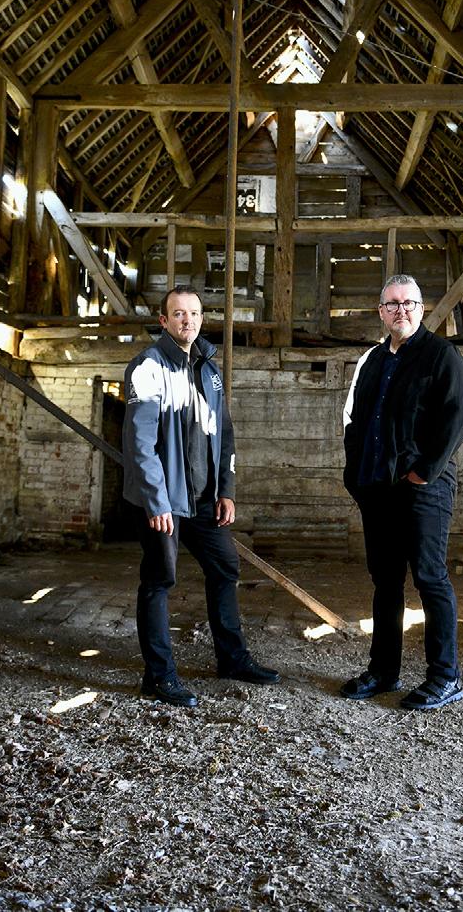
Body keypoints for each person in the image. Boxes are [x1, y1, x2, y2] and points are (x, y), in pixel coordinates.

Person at [123, 286, 280, 707]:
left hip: (203, 498)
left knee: (225, 567)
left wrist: (225, 489)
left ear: (201, 319)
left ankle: (232, 659)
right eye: (178, 314)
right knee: (159, 579)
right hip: (164, 499)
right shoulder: (148, 367)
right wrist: (156, 500)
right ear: (164, 321)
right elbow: (140, 444)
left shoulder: (209, 370)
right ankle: (158, 676)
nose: (187, 320)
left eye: (194, 313)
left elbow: (224, 433)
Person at [341, 274, 463, 711]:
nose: (401, 310)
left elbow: (459, 419)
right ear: (381, 312)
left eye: (409, 303)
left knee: (430, 578)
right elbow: (356, 422)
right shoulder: (374, 360)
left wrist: (423, 472)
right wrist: (355, 475)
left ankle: (445, 677)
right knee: (386, 581)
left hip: (424, 487)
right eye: (392, 304)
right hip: (378, 487)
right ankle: (383, 671)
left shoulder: (441, 355)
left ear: (421, 309)